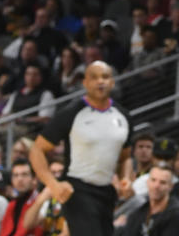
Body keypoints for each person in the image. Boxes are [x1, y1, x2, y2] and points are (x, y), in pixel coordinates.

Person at [30, 61, 133, 236]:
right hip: (77, 189)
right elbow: (36, 150)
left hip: (107, 191)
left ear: (113, 82)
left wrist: (126, 178)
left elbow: (126, 157)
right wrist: (53, 184)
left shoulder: (124, 116)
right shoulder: (71, 113)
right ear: (85, 83)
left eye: (105, 77)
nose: (100, 81)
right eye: (94, 77)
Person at [123, 163, 179, 236]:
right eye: (153, 180)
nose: (156, 186)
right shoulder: (138, 212)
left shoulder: (178, 213)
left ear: (170, 187)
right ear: (147, 182)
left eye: (162, 182)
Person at [0, 160, 39, 236]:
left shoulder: (41, 202)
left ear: (34, 179)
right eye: (16, 175)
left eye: (24, 175)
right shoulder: (11, 205)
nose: (20, 179)